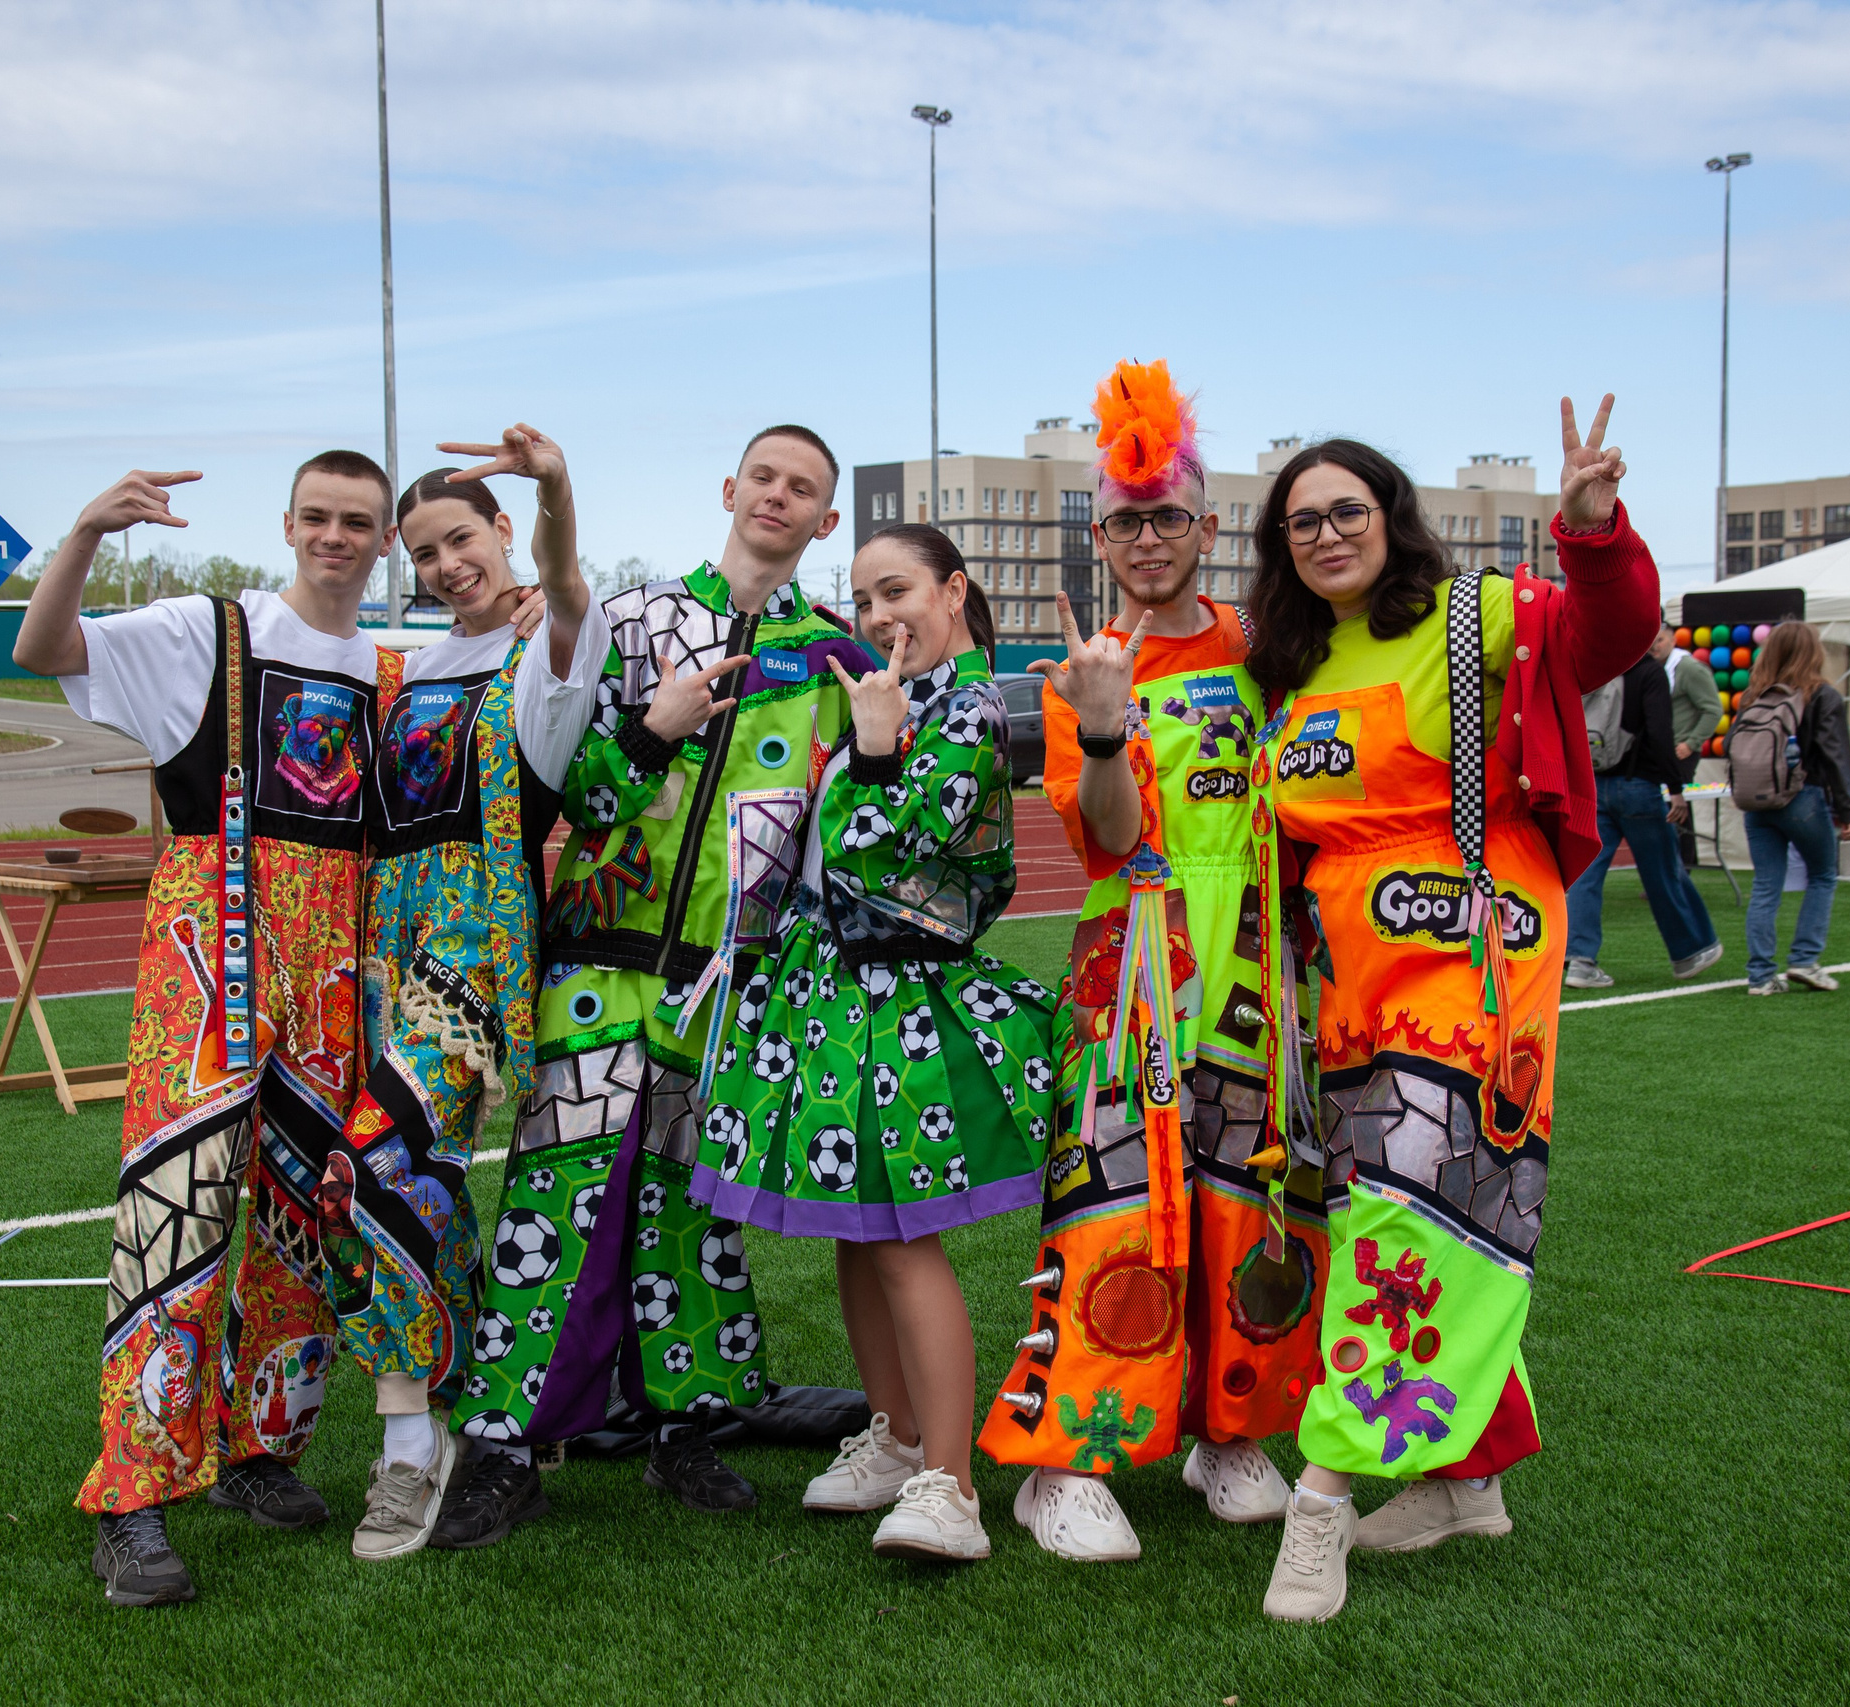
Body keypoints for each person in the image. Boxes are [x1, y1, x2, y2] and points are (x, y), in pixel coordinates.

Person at [1242, 398, 1661, 1622]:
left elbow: (1614, 633)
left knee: (1418, 1209)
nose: (1324, 534)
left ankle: (1323, 1491)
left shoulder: (1480, 616)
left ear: (1392, 515)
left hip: (1481, 955)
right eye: (1300, 521)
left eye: (1346, 511)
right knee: (1402, 1203)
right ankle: (1465, 1482)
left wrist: (1591, 532)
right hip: (1355, 984)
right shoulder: (1293, 665)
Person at [427, 425, 858, 1548]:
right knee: (552, 1202)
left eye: (802, 488)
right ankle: (503, 1444)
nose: (778, 495)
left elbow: (829, 838)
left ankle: (688, 1426)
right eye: (764, 475)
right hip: (600, 962)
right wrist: (655, 733)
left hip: (724, 989)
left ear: (824, 520)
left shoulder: (835, 661)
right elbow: (572, 788)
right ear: (730, 488)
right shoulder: (633, 619)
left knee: (690, 1208)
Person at [13, 451, 398, 1607]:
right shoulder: (205, 629)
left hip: (337, 954)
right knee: (172, 1210)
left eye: (359, 523)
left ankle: (258, 1448)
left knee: (305, 1214)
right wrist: (82, 531)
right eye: (319, 517)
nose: (336, 536)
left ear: (383, 541)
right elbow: (44, 651)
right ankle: (132, 1499)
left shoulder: (394, 664)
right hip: (212, 940)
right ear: (288, 523)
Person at [977, 359, 1327, 1563]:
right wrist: (1104, 721)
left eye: (1166, 516)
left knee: (1250, 1191)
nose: (1146, 540)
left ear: (1207, 525)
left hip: (1258, 969)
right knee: (1115, 1196)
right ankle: (1061, 1460)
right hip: (1132, 962)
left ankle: (1222, 1427)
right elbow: (1110, 841)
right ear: (1099, 533)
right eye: (1124, 521)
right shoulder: (1081, 671)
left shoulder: (1266, 645)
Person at [692, 524, 1050, 1563]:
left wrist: (877, 747)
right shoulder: (907, 696)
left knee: (896, 1235)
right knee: (855, 1226)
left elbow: (874, 847)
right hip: (837, 993)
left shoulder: (969, 704)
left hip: (899, 997)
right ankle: (893, 1438)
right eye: (862, 598)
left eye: (896, 590)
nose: (878, 614)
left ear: (955, 590)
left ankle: (950, 1478)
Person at [331, 429, 611, 1560]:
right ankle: (495, 1417)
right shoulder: (406, 665)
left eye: (462, 537)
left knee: (378, 1159)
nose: (449, 564)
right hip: (383, 949)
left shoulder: (550, 648)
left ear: (500, 530)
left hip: (475, 946)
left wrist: (553, 489)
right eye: (426, 551)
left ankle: (409, 1453)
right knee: (420, 1183)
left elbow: (574, 585)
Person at [1563, 644, 1721, 987]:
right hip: (1639, 786)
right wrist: (1675, 788)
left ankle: (1579, 959)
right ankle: (1690, 951)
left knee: (1586, 875)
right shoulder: (1648, 672)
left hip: (1594, 783)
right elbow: (1661, 732)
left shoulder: (1596, 662)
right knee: (1663, 871)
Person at [1737, 620, 1850, 996]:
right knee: (1822, 874)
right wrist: (1849, 810)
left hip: (1756, 802)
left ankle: (1760, 975)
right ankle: (1805, 960)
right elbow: (1836, 756)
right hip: (1802, 798)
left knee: (1765, 885)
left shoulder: (1752, 696)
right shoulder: (1822, 696)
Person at [1664, 627, 1722, 867]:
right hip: (1663, 752)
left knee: (1677, 812)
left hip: (1681, 752)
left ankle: (1682, 869)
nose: (1654, 646)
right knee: (1668, 811)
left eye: (1659, 640)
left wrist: (1692, 742)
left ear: (1672, 639)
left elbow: (1713, 710)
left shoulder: (1688, 669)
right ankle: (1674, 870)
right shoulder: (1656, 668)